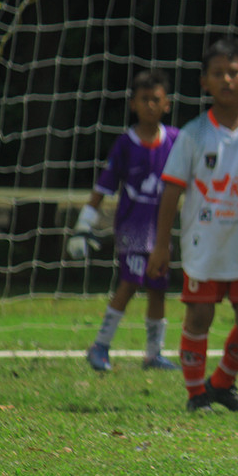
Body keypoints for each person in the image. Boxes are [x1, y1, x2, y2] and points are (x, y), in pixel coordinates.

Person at [146, 36, 238, 413]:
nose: (226, 79)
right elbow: (171, 193)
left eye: (233, 72)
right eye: (217, 74)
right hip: (204, 244)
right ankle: (196, 395)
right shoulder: (193, 134)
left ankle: (221, 384)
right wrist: (162, 245)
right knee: (200, 314)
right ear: (204, 82)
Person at [68, 70, 180, 372]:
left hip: (160, 233)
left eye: (156, 100)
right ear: (133, 104)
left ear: (166, 104)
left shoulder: (175, 141)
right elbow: (102, 187)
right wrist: (83, 225)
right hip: (132, 229)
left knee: (157, 288)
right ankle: (100, 345)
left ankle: (154, 353)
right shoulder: (125, 145)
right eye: (144, 100)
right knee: (130, 283)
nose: (150, 106)